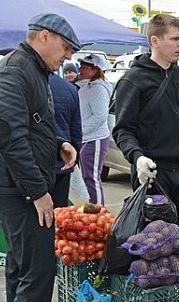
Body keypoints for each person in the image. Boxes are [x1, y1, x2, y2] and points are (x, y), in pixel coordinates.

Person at [0, 13, 80, 302]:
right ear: (43, 37)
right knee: (37, 271)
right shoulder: (13, 72)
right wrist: (37, 192)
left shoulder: (33, 71)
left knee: (21, 267)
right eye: (65, 47)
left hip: (24, 183)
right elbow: (9, 138)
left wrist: (59, 144)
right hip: (19, 189)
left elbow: (33, 126)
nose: (68, 56)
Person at [112, 13, 179, 296]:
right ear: (155, 41)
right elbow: (123, 130)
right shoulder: (133, 81)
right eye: (175, 39)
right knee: (155, 249)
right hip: (153, 177)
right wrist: (137, 157)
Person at [76, 53, 112, 205]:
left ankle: (99, 212)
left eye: (85, 67)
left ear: (95, 70)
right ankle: (94, 209)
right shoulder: (87, 87)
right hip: (87, 138)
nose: (81, 70)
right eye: (81, 67)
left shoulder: (97, 89)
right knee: (88, 177)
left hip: (95, 138)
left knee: (92, 177)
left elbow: (99, 116)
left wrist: (80, 131)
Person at [49, 73, 82, 207]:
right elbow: (76, 130)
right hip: (63, 161)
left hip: (32, 165)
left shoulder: (22, 84)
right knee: (59, 214)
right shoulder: (69, 88)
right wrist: (74, 160)